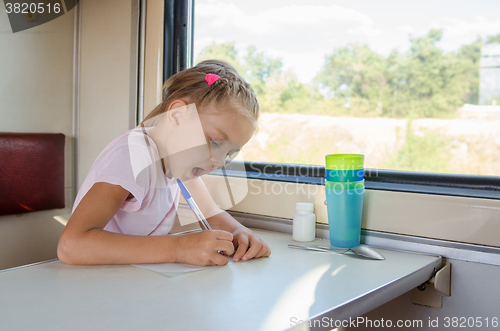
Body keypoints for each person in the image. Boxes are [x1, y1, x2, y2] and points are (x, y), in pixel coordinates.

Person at [57, 60, 271, 266]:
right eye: (214, 141)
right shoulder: (132, 155)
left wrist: (243, 235)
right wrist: (178, 248)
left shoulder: (180, 163)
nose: (218, 161)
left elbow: (212, 214)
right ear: (177, 115)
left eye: (229, 154)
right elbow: (71, 245)